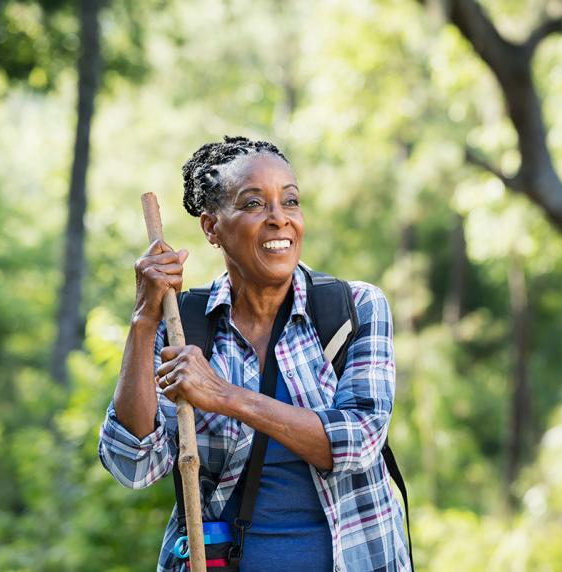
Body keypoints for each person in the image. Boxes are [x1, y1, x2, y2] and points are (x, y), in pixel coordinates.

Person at [98, 136, 411, 572]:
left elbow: (357, 443)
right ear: (212, 228)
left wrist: (225, 396)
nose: (279, 219)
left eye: (290, 201)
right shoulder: (183, 327)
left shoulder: (353, 310)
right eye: (253, 205)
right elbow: (132, 465)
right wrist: (143, 319)